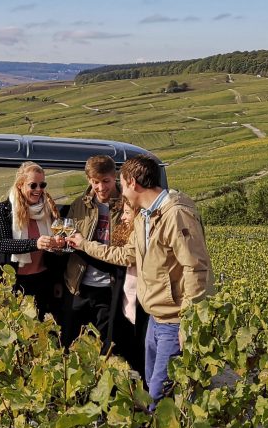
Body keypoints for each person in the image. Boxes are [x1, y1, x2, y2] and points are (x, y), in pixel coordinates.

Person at [67, 154, 213, 407]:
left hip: (175, 321)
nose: (119, 190)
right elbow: (126, 255)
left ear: (132, 182)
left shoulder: (175, 214)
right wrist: (84, 246)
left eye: (120, 183)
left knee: (159, 394)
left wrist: (189, 323)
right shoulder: (146, 216)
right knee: (150, 388)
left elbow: (196, 269)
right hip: (155, 319)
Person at [62, 155, 123, 349]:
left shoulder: (128, 206)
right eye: (95, 182)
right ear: (89, 180)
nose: (101, 187)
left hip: (109, 287)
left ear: (115, 177)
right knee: (71, 342)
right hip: (78, 285)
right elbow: (67, 241)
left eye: (106, 181)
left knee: (106, 345)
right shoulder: (79, 205)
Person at [0, 162, 65, 320]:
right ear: (20, 185)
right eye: (33, 185)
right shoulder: (4, 210)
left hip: (43, 280)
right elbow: (2, 243)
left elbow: (56, 249)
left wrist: (58, 244)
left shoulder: (48, 209)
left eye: (42, 184)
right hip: (14, 282)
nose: (38, 190)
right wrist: (35, 243)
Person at [109, 199, 147, 377]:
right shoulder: (124, 238)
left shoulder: (145, 243)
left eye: (127, 213)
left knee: (143, 364)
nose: (122, 217)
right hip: (125, 313)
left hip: (142, 315)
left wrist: (84, 245)